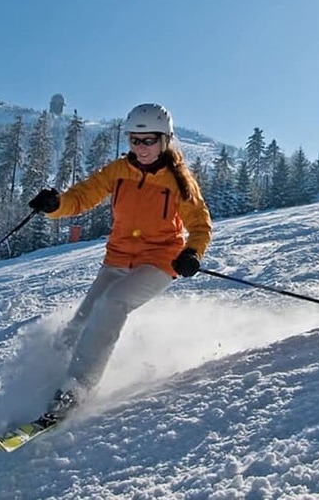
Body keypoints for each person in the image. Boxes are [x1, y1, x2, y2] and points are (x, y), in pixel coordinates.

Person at [28, 103, 212, 422]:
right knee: (81, 322)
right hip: (117, 258)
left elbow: (200, 224)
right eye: (134, 140)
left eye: (149, 140)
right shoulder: (118, 171)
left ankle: (77, 389)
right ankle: (46, 384)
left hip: (159, 261)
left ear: (165, 140)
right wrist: (56, 205)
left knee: (113, 303)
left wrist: (193, 253)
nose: (141, 148)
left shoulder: (179, 180)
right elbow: (83, 196)